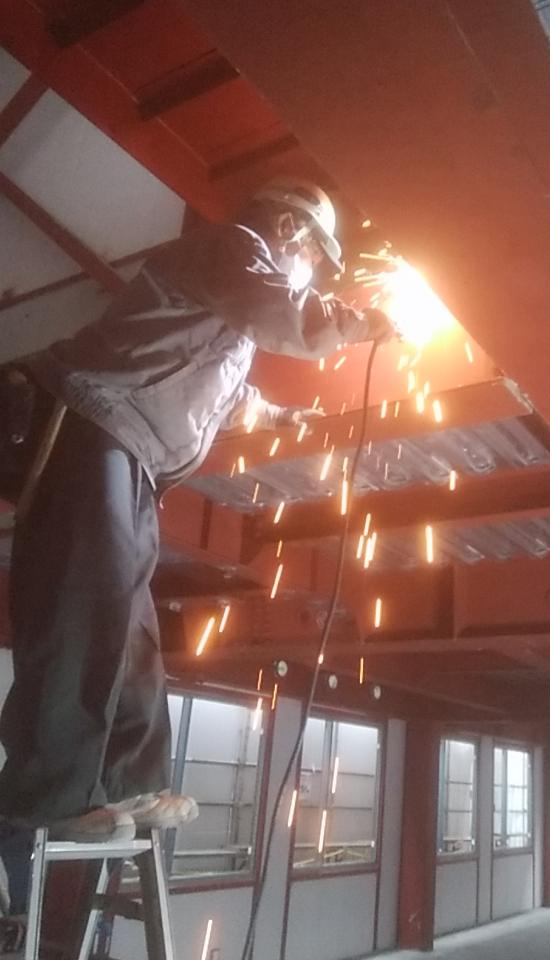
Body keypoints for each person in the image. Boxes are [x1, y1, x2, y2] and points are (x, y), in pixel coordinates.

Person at [0, 177, 394, 846]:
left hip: (131, 455)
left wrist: (284, 416)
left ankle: (129, 781)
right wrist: (360, 321)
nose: (310, 269)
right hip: (91, 425)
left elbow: (229, 391)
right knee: (83, 604)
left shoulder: (232, 300)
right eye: (313, 256)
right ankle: (48, 791)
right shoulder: (234, 249)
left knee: (133, 628)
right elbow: (285, 313)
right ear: (290, 229)